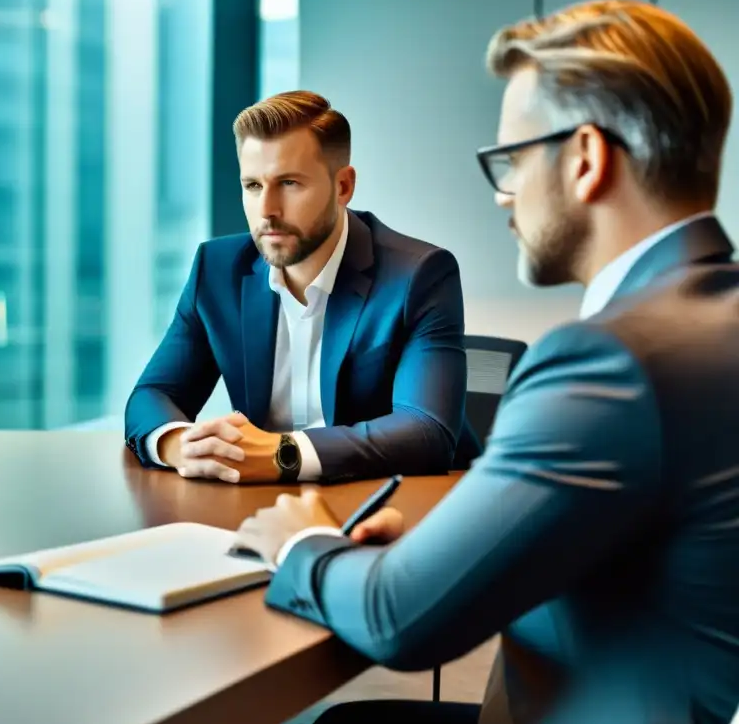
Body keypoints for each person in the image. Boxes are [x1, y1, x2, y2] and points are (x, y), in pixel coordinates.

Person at [235, 0, 739, 724]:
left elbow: (398, 622)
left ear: (586, 159)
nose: (504, 193)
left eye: (510, 161)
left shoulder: (607, 361)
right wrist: (454, 549)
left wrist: (300, 541)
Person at [125, 91, 480, 484]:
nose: (267, 210)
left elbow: (426, 430)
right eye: (253, 186)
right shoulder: (218, 270)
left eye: (289, 183)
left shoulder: (419, 274)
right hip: (263, 502)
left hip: (395, 505)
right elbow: (153, 394)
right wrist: (179, 445)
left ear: (343, 186)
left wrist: (285, 455)